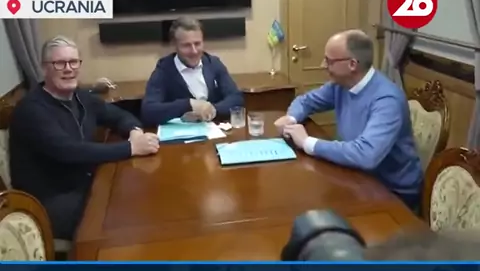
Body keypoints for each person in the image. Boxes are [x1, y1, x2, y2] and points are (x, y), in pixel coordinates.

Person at [9, 35, 159, 242]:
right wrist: (131, 148)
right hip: (49, 203)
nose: (68, 69)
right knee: (123, 218)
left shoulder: (81, 97)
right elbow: (69, 151)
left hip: (85, 184)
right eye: (59, 63)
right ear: (45, 68)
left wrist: (134, 131)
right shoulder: (31, 110)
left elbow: (119, 116)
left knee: (141, 197)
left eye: (73, 62)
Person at [275, 29, 423, 212]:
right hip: (356, 177)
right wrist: (291, 119)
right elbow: (305, 101)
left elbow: (366, 155)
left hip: (393, 193)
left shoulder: (386, 100)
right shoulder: (341, 85)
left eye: (329, 61)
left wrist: (307, 142)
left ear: (352, 64)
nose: (323, 65)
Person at [141, 16, 243, 126]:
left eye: (197, 44)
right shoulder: (164, 70)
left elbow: (236, 98)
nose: (194, 51)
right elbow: (148, 111)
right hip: (181, 133)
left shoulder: (213, 64)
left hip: (213, 130)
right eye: (186, 45)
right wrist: (188, 105)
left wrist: (212, 110)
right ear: (174, 45)